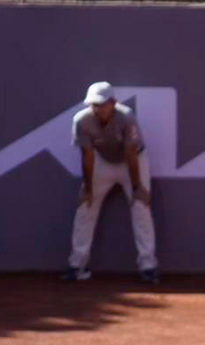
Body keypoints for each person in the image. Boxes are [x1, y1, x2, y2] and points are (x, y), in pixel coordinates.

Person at [64, 81, 160, 284]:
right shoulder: (81, 121)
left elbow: (131, 154)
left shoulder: (127, 117)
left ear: (113, 103)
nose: (97, 109)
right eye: (93, 105)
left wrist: (137, 187)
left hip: (132, 162)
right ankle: (77, 265)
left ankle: (148, 266)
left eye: (102, 104)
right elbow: (87, 156)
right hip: (102, 162)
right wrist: (88, 188)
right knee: (85, 206)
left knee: (141, 207)